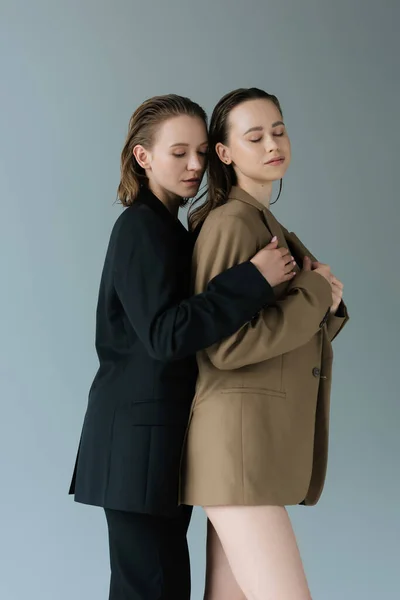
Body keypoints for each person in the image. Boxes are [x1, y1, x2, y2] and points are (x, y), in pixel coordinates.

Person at [68, 93, 297, 600]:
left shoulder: (169, 230)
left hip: (152, 448)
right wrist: (251, 280)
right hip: (136, 449)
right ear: (142, 156)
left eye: (200, 151)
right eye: (178, 153)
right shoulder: (140, 229)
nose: (195, 165)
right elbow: (164, 335)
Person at [181, 87, 349, 600]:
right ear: (226, 154)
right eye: (254, 136)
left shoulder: (263, 221)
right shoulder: (232, 222)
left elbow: (289, 326)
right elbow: (222, 347)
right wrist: (317, 294)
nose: (272, 143)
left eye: (277, 131)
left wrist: (324, 303)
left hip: (247, 448)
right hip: (238, 450)